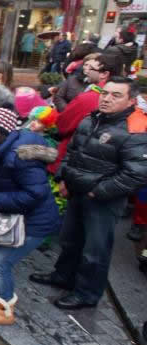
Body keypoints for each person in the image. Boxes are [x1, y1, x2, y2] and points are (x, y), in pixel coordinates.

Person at [30, 77, 147, 310]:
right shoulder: (91, 119)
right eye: (105, 93)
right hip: (78, 191)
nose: (107, 98)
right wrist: (63, 177)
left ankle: (86, 294)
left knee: (95, 250)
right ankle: (63, 276)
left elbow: (136, 174)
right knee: (70, 240)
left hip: (103, 199)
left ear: (131, 100)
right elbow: (71, 151)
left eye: (116, 95)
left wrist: (99, 191)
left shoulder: (136, 130)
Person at [0, 108, 60, 325]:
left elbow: (35, 193)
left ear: (1, 131)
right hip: (17, 217)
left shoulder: (19, 156)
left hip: (34, 222)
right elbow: (3, 181)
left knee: (0, 261)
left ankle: (4, 310)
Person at [48, 53, 121, 175]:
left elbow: (63, 125)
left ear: (104, 74)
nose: (85, 70)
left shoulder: (91, 97)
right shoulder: (129, 98)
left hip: (76, 160)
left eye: (91, 68)